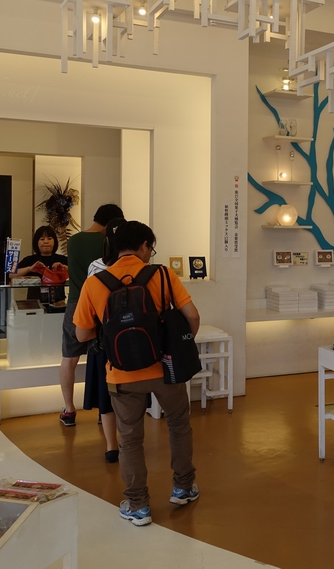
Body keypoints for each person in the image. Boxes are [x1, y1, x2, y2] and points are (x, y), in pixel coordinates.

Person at [74, 220, 201, 526]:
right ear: (144, 246)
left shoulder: (95, 283)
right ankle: (183, 488)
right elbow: (193, 316)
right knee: (179, 426)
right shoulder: (163, 274)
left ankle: (138, 505)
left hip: (121, 374)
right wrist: (179, 346)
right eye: (150, 248)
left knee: (130, 439)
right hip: (165, 369)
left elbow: (81, 334)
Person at [59, 204, 124, 428]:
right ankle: (104, 409)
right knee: (105, 356)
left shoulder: (74, 241)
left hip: (75, 302)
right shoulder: (107, 241)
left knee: (69, 358)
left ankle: (69, 409)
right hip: (103, 304)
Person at [80, 217, 127, 463]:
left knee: (106, 395)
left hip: (103, 339)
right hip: (132, 340)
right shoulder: (143, 268)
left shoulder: (95, 267)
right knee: (130, 396)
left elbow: (87, 310)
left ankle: (111, 447)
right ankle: (129, 441)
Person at [10, 225, 68, 303]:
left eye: (49, 238)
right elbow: (11, 274)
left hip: (58, 303)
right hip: (34, 303)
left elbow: (77, 273)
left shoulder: (62, 259)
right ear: (36, 242)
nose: (46, 242)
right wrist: (29, 269)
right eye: (42, 239)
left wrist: (64, 268)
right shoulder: (30, 259)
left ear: (55, 241)